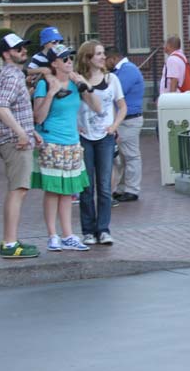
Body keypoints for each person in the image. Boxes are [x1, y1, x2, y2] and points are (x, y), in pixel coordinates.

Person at [31, 44, 98, 252]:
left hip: (72, 142)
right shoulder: (45, 84)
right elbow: (38, 117)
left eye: (70, 58)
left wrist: (86, 84)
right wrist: (51, 93)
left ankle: (68, 234)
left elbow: (98, 107)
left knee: (68, 190)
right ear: (54, 63)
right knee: (53, 190)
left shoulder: (75, 84)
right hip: (51, 141)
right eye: (64, 59)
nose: (69, 61)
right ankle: (53, 235)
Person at [0, 33, 41, 258]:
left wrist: (31, 131)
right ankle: (9, 243)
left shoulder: (14, 74)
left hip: (16, 137)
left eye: (23, 47)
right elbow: (0, 106)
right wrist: (20, 134)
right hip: (13, 140)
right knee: (17, 189)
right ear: (6, 54)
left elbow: (14, 107)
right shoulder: (11, 75)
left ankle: (11, 240)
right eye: (18, 48)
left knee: (19, 189)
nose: (23, 51)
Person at [76, 40, 127, 245]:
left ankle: (103, 229)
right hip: (85, 136)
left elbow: (122, 106)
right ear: (88, 58)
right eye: (98, 54)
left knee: (105, 186)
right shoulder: (78, 81)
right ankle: (88, 230)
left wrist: (114, 126)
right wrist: (74, 125)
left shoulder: (111, 79)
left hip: (105, 137)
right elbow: (70, 105)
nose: (103, 57)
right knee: (86, 186)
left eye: (103, 53)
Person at [106, 46, 145, 203]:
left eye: (106, 60)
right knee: (122, 156)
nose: (104, 64)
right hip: (124, 120)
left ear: (113, 58)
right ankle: (122, 188)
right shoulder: (120, 71)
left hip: (129, 120)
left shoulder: (128, 70)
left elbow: (115, 92)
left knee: (130, 155)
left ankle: (132, 190)